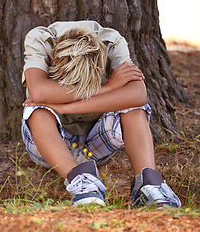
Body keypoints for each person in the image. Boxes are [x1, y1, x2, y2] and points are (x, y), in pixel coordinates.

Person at [21, 21, 181, 208]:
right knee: (36, 110)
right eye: (71, 86)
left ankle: (149, 186)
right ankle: (82, 183)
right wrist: (109, 88)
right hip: (50, 145)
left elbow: (138, 94)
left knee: (133, 107)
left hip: (97, 142)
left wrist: (66, 106)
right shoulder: (40, 39)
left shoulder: (111, 42)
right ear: (53, 57)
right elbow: (39, 93)